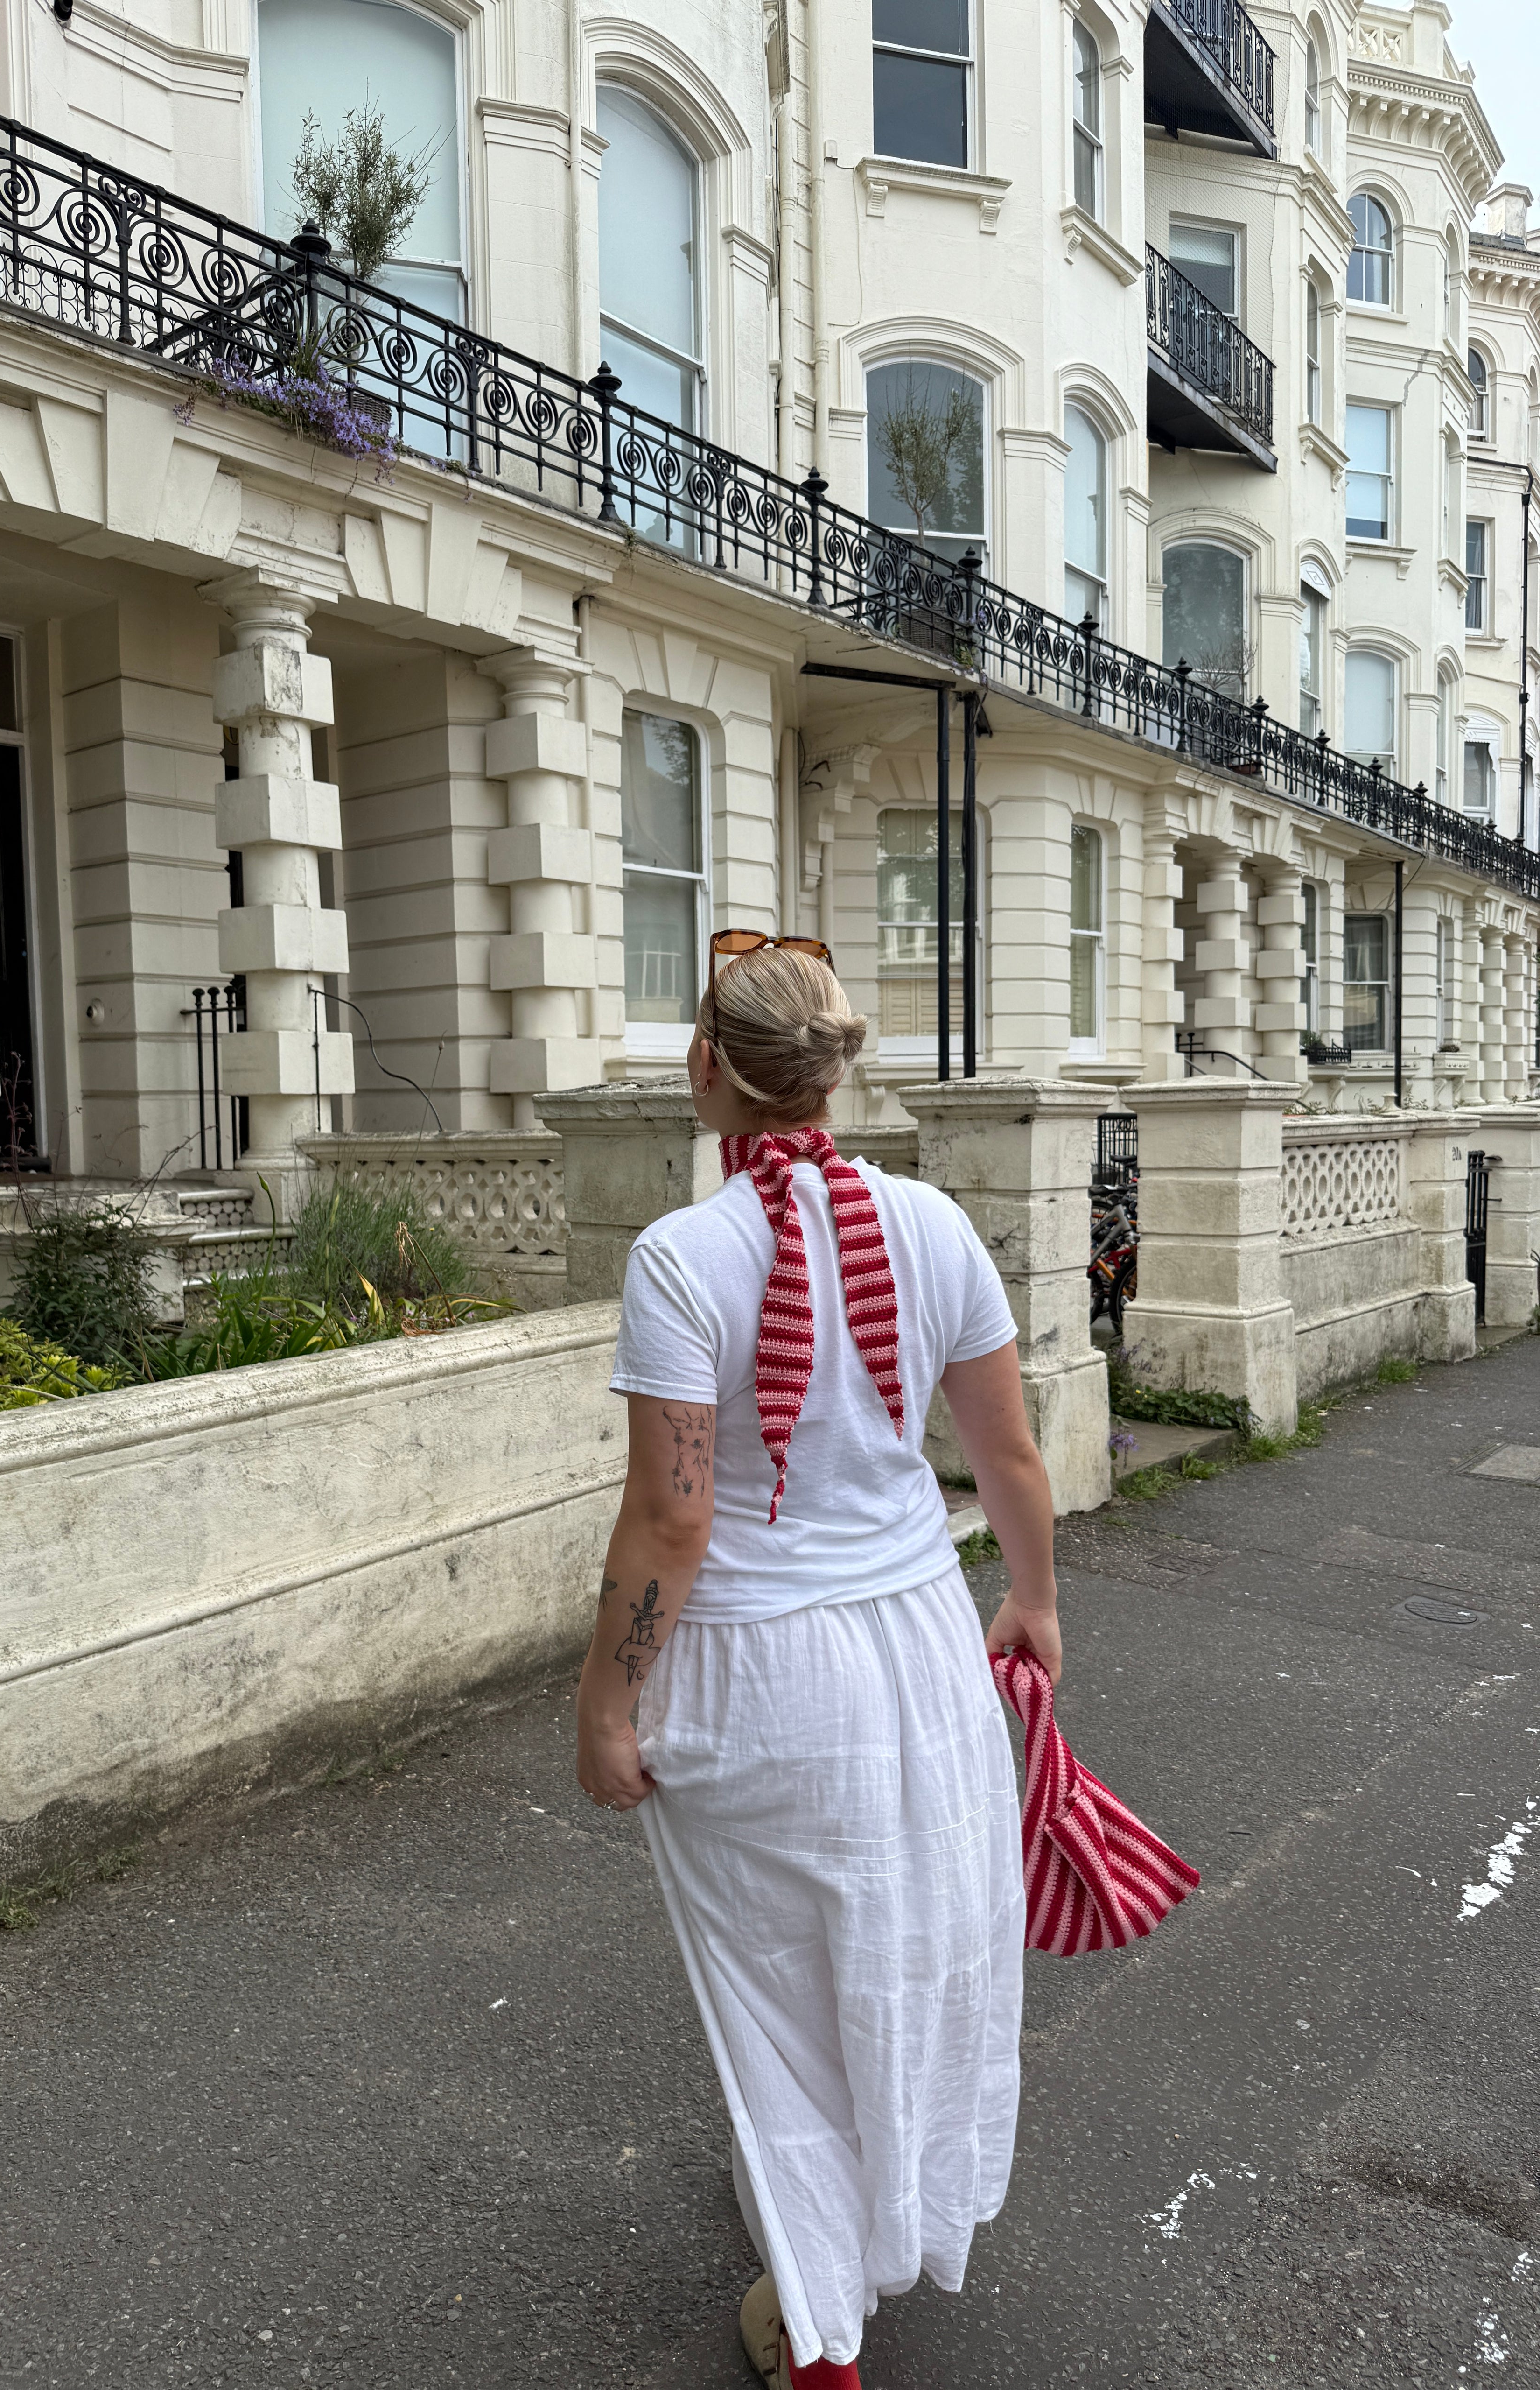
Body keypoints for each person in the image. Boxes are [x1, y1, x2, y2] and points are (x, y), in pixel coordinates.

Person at [575, 934, 1062, 2390]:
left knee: (775, 2002)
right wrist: (1033, 1604)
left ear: (705, 1067)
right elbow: (1011, 1456)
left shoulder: (685, 1256)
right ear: (836, 1071)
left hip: (753, 1671)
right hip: (918, 1643)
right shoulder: (934, 1225)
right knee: (906, 1956)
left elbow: (674, 1514)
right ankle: (865, 2249)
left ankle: (817, 2331)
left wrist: (608, 1701)